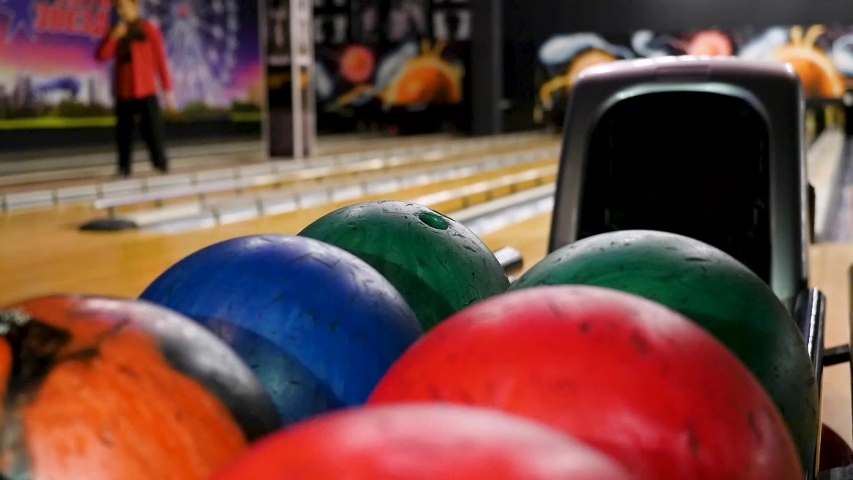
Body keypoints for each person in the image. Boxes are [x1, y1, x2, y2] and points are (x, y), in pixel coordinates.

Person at [96, 0, 176, 178]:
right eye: (118, 7)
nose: (120, 11)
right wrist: (113, 37)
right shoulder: (117, 31)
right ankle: (124, 169)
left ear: (134, 7)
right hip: (124, 91)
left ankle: (161, 165)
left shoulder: (149, 30)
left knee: (153, 131)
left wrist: (168, 91)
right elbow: (101, 56)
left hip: (146, 90)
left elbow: (160, 62)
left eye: (123, 6)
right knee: (123, 133)